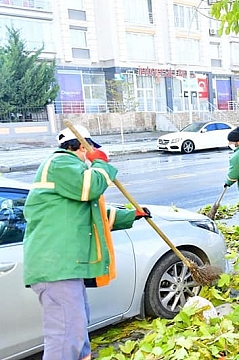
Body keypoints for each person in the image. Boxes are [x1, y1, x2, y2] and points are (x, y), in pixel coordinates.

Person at [23, 125, 151, 360]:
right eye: (90, 151)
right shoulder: (60, 163)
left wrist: (132, 215)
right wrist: (101, 163)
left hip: (65, 268)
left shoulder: (70, 172)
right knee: (66, 336)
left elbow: (91, 213)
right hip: (56, 267)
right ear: (82, 147)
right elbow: (90, 188)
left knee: (78, 330)